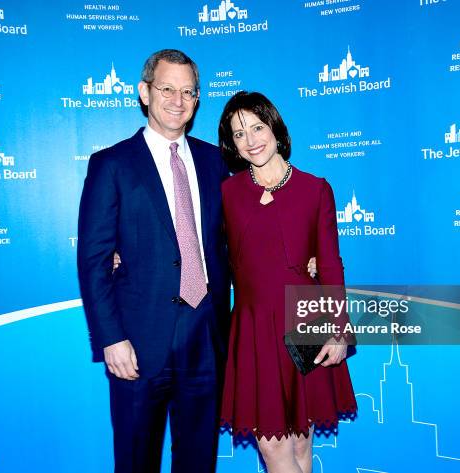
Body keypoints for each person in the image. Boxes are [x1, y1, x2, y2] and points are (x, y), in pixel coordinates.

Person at [77, 49, 231, 473]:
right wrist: (110, 339)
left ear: (198, 99)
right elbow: (93, 261)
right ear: (145, 92)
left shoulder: (216, 162)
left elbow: (232, 245)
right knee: (135, 459)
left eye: (188, 91)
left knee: (199, 461)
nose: (177, 100)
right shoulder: (111, 164)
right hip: (138, 343)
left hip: (207, 337)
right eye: (167, 89)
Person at [218, 91, 357, 473]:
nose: (252, 140)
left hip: (305, 321)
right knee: (275, 452)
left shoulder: (315, 189)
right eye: (239, 133)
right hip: (254, 330)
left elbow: (330, 265)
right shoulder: (227, 192)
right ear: (232, 144)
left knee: (299, 450)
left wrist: (339, 331)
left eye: (258, 127)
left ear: (276, 129)